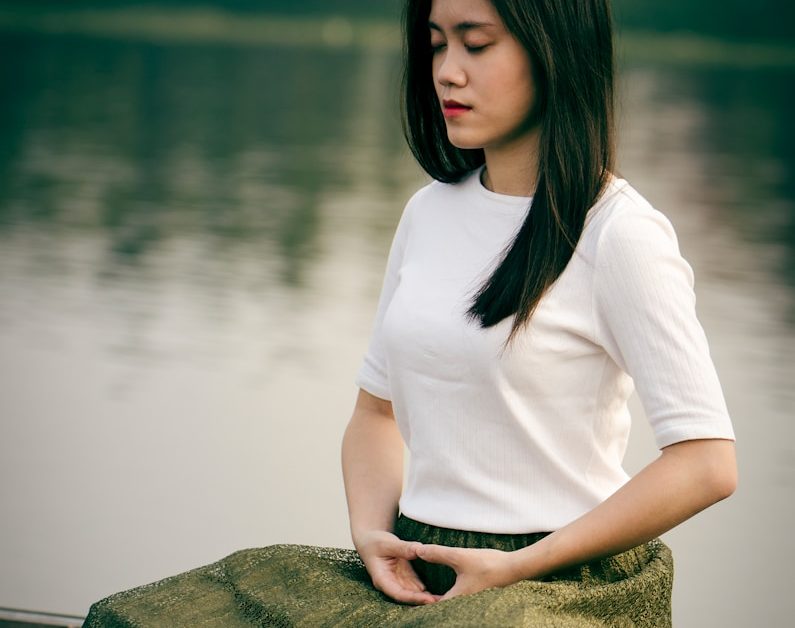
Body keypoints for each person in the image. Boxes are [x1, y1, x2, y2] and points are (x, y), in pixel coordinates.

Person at [84, 0, 736, 625]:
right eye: (435, 44)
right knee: (150, 615)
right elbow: (375, 413)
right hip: (421, 562)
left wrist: (520, 567)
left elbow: (706, 463)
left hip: (560, 585)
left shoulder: (617, 234)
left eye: (475, 44)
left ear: (554, 52)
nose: (446, 70)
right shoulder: (428, 212)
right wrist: (371, 535)